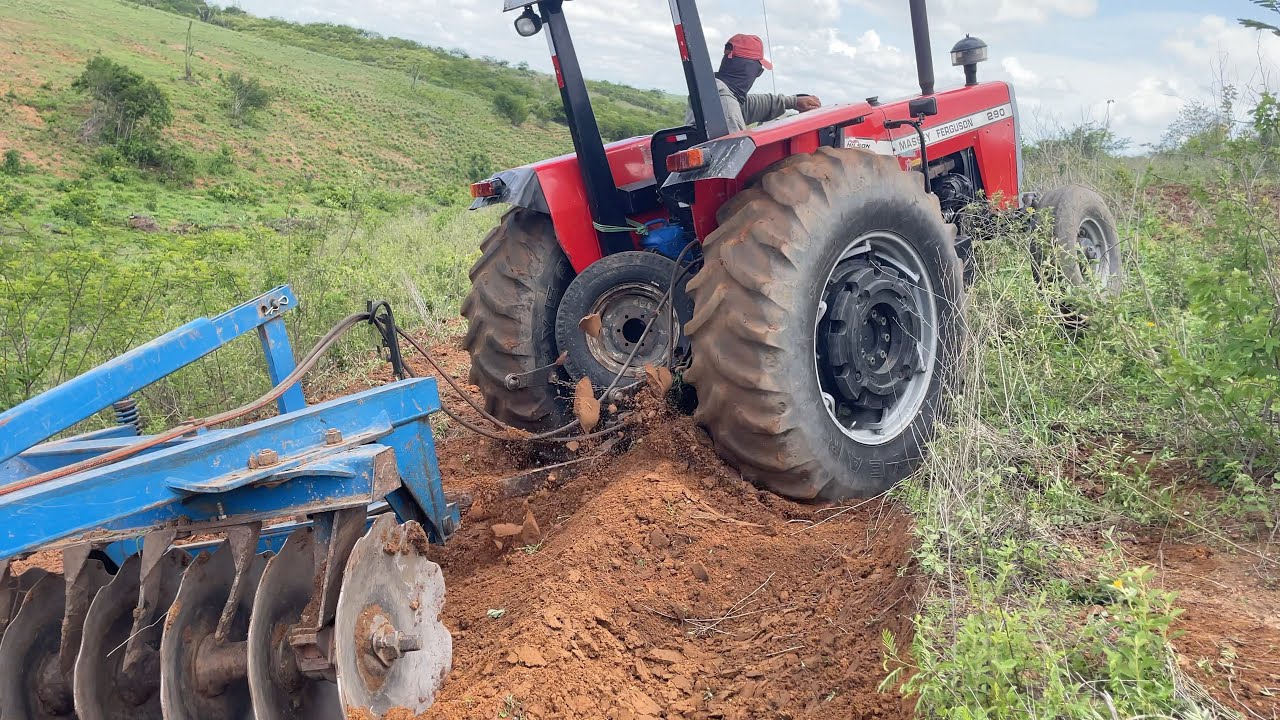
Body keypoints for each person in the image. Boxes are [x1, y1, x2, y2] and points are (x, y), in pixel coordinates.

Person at [686, 34, 823, 133]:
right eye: (759, 70)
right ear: (750, 70)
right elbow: (733, 158)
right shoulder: (726, 106)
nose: (758, 75)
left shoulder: (714, 92)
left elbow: (752, 104)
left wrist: (793, 101)